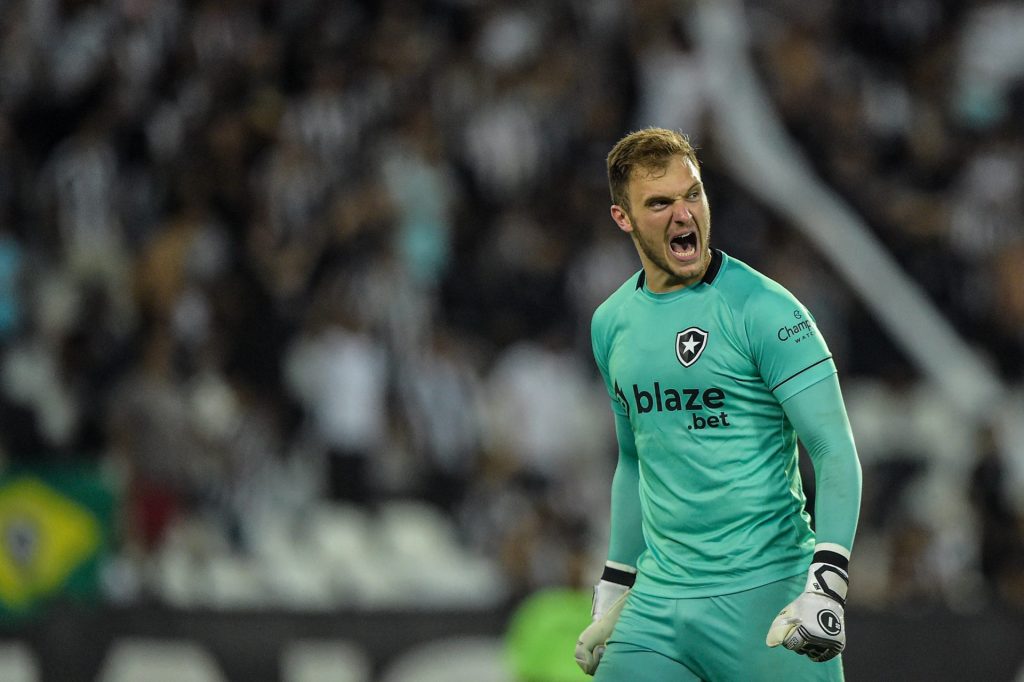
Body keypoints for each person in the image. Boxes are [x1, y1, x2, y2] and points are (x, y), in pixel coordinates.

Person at [574, 127, 862, 681]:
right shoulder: (610, 323)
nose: (684, 215)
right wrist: (616, 580)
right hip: (657, 606)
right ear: (623, 219)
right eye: (659, 203)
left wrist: (828, 580)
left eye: (693, 194)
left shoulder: (767, 310)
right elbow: (634, 460)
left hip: (765, 597)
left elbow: (832, 449)